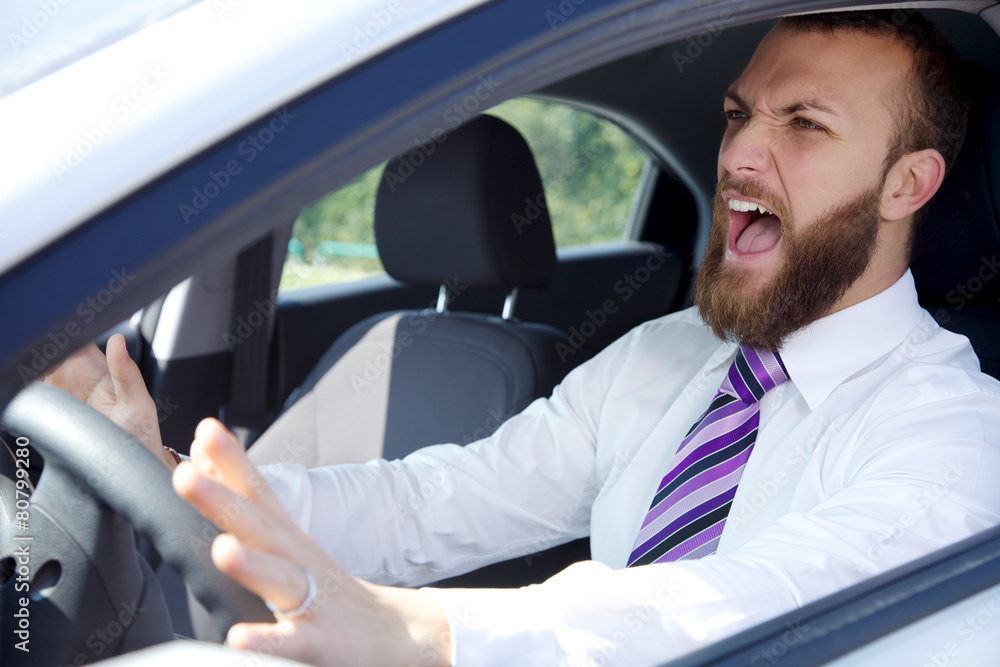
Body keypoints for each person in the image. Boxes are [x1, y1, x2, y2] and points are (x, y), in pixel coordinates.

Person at [43, 10, 1000, 667]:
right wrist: (174, 480)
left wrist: (422, 632)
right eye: (739, 114)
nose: (741, 153)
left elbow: (759, 597)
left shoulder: (957, 431)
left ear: (906, 185)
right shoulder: (666, 355)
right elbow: (431, 504)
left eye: (805, 124)